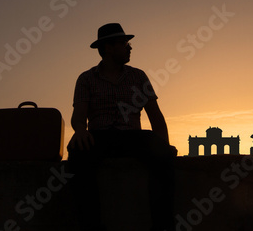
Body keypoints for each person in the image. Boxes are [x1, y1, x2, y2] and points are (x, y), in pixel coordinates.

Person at [67, 23, 177, 231]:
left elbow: (155, 117)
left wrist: (165, 146)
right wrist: (80, 130)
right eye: (124, 43)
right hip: (98, 137)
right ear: (108, 48)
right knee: (76, 155)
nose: (129, 47)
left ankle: (163, 226)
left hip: (132, 136)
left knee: (164, 157)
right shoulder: (86, 79)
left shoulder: (138, 76)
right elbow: (78, 116)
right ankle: (90, 225)